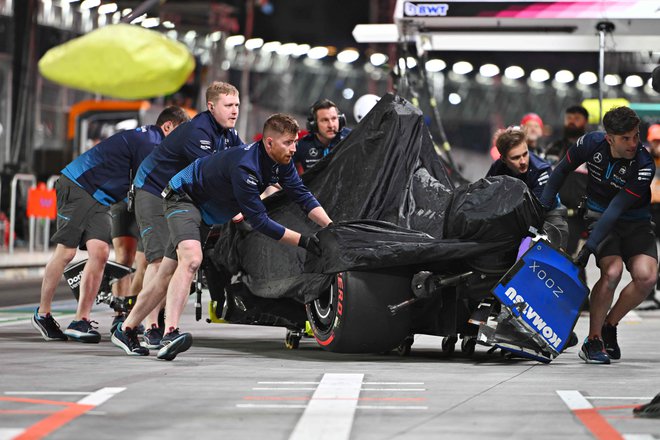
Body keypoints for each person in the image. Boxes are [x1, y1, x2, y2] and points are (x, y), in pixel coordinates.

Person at [112, 113, 333, 360]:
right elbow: (260, 221)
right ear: (269, 143)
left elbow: (302, 195)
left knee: (166, 273)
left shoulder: (282, 162)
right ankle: (170, 333)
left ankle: (126, 329)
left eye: (295, 142)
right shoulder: (245, 166)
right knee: (192, 260)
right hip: (183, 198)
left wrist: (330, 226)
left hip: (208, 212)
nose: (294, 148)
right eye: (288, 143)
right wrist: (305, 241)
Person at [31, 106, 188, 343]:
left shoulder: (152, 140)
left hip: (100, 198)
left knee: (101, 253)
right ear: (167, 127)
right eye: (180, 134)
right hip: (78, 185)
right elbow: (149, 182)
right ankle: (43, 314)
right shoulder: (150, 142)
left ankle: (80, 321)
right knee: (66, 252)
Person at [125, 81, 243, 349]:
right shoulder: (198, 132)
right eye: (228, 105)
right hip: (154, 190)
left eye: (237, 105)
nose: (234, 111)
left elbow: (243, 162)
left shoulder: (228, 134)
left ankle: (134, 326)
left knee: (172, 265)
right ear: (211, 107)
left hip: (178, 195)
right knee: (157, 262)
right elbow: (212, 177)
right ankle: (152, 327)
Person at [539, 106, 656, 365]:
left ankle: (609, 326)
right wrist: (542, 205)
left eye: (636, 136)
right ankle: (592, 341)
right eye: (626, 138)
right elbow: (560, 171)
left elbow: (617, 208)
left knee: (647, 277)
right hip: (598, 216)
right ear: (609, 138)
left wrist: (588, 247)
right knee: (612, 272)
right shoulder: (590, 143)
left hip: (634, 222)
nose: (633, 143)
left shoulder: (644, 164)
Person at [486, 127, 568, 249]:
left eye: (525, 154)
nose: (523, 161)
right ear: (503, 159)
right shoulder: (497, 167)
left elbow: (535, 212)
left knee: (553, 250)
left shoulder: (542, 170)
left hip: (548, 216)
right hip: (513, 215)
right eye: (515, 158)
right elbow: (487, 198)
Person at [545, 105, 591, 262]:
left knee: (573, 262)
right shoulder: (553, 148)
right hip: (555, 213)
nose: (572, 122)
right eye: (569, 118)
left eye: (576, 119)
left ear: (585, 122)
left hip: (580, 217)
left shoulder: (591, 149)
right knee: (554, 257)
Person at [293, 99, 351, 173]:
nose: (331, 125)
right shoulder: (303, 145)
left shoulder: (350, 138)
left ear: (340, 120)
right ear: (314, 125)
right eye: (325, 120)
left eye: (334, 119)